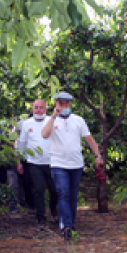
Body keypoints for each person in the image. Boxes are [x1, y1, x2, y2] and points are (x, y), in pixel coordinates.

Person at [42, 91, 103, 241]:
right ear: (56, 104)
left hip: (76, 164)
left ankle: (70, 223)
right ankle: (66, 226)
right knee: (63, 194)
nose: (64, 106)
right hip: (58, 164)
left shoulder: (78, 120)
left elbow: (89, 139)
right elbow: (44, 134)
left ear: (70, 104)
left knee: (73, 196)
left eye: (66, 103)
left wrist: (98, 155)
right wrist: (53, 116)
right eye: (61, 103)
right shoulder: (50, 120)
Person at [17, 100, 58, 230]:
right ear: (32, 109)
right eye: (36, 107)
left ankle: (53, 209)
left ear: (46, 109)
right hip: (34, 163)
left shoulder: (52, 121)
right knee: (39, 190)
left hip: (52, 162)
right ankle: (41, 218)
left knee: (54, 190)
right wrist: (18, 161)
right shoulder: (26, 124)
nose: (39, 110)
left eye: (41, 107)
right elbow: (22, 143)